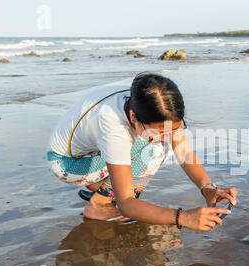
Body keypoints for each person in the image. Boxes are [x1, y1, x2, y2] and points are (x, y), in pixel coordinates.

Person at [47, 72, 237, 231]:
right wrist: (183, 217)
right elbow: (127, 204)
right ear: (132, 116)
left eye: (175, 129)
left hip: (92, 151)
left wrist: (208, 188)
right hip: (67, 163)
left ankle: (105, 192)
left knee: (158, 144)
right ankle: (99, 206)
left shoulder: (144, 100)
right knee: (154, 150)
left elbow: (183, 150)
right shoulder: (113, 127)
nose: (167, 137)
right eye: (159, 132)